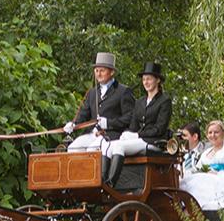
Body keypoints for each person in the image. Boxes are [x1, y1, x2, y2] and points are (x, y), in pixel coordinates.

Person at [63, 52, 135, 182]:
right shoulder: (92, 93)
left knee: (93, 150)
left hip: (111, 136)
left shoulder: (123, 91)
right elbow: (84, 114)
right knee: (73, 148)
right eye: (96, 71)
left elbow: (130, 118)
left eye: (102, 70)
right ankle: (77, 181)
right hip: (92, 134)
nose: (98, 74)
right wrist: (73, 124)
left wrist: (109, 123)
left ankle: (94, 182)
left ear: (111, 72)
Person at [104, 62, 172, 186]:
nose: (146, 82)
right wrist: (128, 134)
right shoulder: (140, 102)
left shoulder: (164, 101)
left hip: (154, 141)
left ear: (157, 80)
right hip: (139, 141)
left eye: (149, 79)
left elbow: (160, 129)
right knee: (107, 146)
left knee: (119, 147)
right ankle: (102, 180)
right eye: (144, 79)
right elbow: (133, 126)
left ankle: (110, 184)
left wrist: (138, 136)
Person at [179, 120, 224, 221]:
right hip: (206, 183)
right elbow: (197, 170)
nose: (212, 135)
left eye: (216, 132)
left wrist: (218, 174)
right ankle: (188, 210)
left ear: (223, 133)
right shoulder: (205, 154)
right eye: (210, 133)